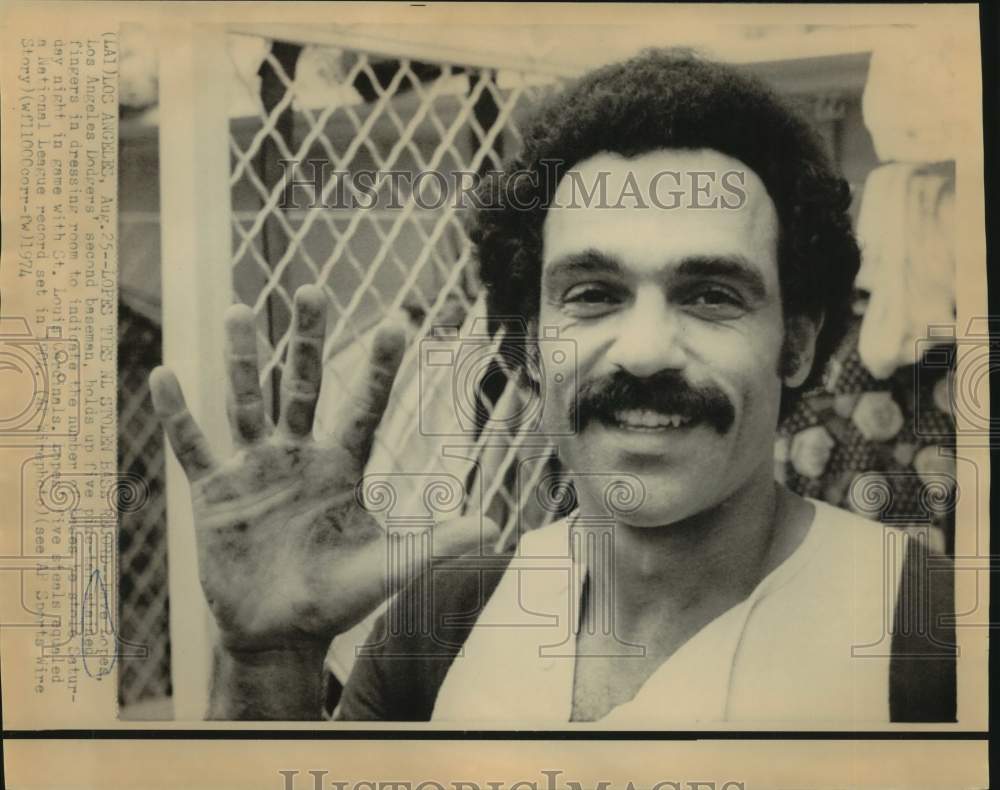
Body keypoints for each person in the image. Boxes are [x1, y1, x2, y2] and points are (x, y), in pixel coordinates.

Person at [149, 49, 955, 723]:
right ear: (530, 345)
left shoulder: (929, 642)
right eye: (594, 293)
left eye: (710, 294)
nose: (643, 352)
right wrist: (267, 660)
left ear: (798, 342)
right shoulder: (442, 628)